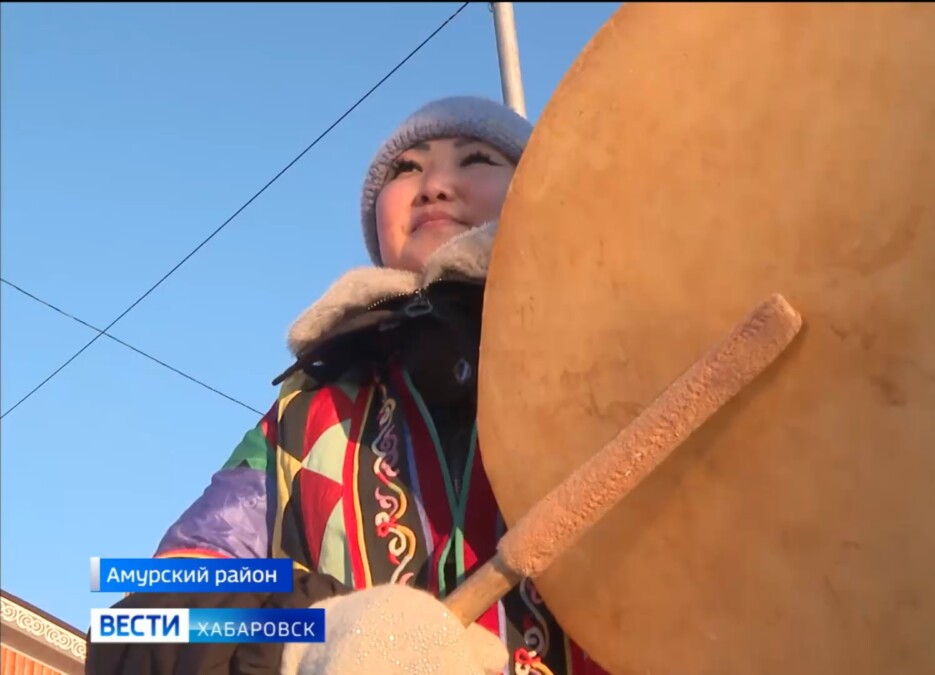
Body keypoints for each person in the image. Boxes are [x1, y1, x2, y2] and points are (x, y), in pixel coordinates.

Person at [85, 96, 609, 675]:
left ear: (537, 189)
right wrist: (311, 635)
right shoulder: (307, 415)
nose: (433, 184)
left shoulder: (621, 364)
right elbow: (141, 619)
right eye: (406, 169)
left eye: (477, 158)